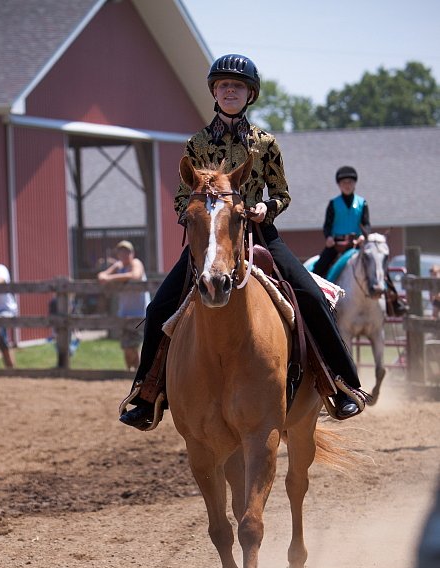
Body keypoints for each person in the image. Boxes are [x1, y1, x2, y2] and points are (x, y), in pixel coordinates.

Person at [120, 54, 365, 430]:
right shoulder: (196, 143)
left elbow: (282, 193)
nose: (229, 91)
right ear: (214, 93)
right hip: (212, 239)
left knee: (312, 297)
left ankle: (342, 384)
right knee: (158, 309)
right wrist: (196, 214)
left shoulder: (265, 143)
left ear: (249, 94)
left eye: (236, 86)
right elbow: (181, 197)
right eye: (222, 86)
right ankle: (146, 394)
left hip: (260, 233)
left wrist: (265, 208)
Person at [97, 240, 150, 370]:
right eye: (121, 251)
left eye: (127, 251)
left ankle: (136, 373)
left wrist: (111, 278)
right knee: (126, 348)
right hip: (124, 314)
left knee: (133, 346)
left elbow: (135, 275)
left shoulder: (136, 263)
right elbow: (102, 275)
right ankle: (130, 373)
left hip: (140, 314)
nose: (124, 254)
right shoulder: (118, 266)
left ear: (132, 253)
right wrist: (107, 275)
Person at [313, 166, 371, 279]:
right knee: (319, 268)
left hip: (356, 244)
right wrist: (328, 237)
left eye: (350, 182)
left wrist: (364, 236)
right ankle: (314, 292)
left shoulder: (362, 203)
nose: (347, 185)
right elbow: (327, 225)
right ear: (339, 185)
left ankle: (387, 292)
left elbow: (366, 224)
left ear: (355, 184)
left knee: (375, 263)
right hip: (336, 244)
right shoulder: (333, 203)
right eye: (344, 182)